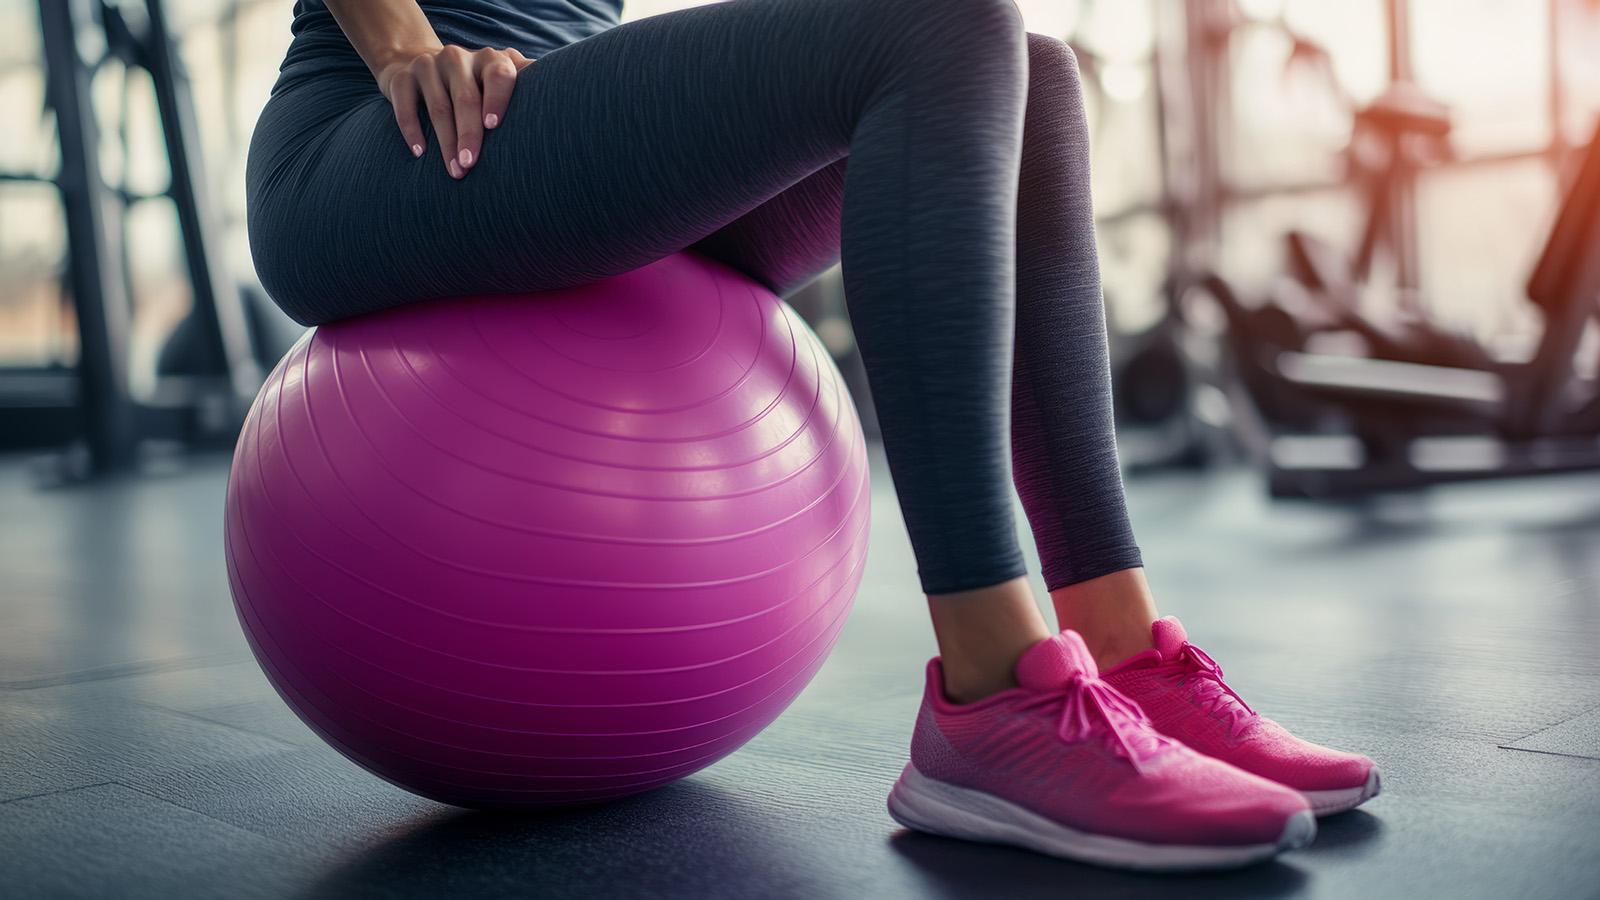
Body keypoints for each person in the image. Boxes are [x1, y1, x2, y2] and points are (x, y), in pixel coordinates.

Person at [247, 0, 1378, 870]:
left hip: (562, 151)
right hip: (394, 135)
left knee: (1031, 75)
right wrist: (405, 44)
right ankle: (992, 693)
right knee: (945, 27)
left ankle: (1120, 649)